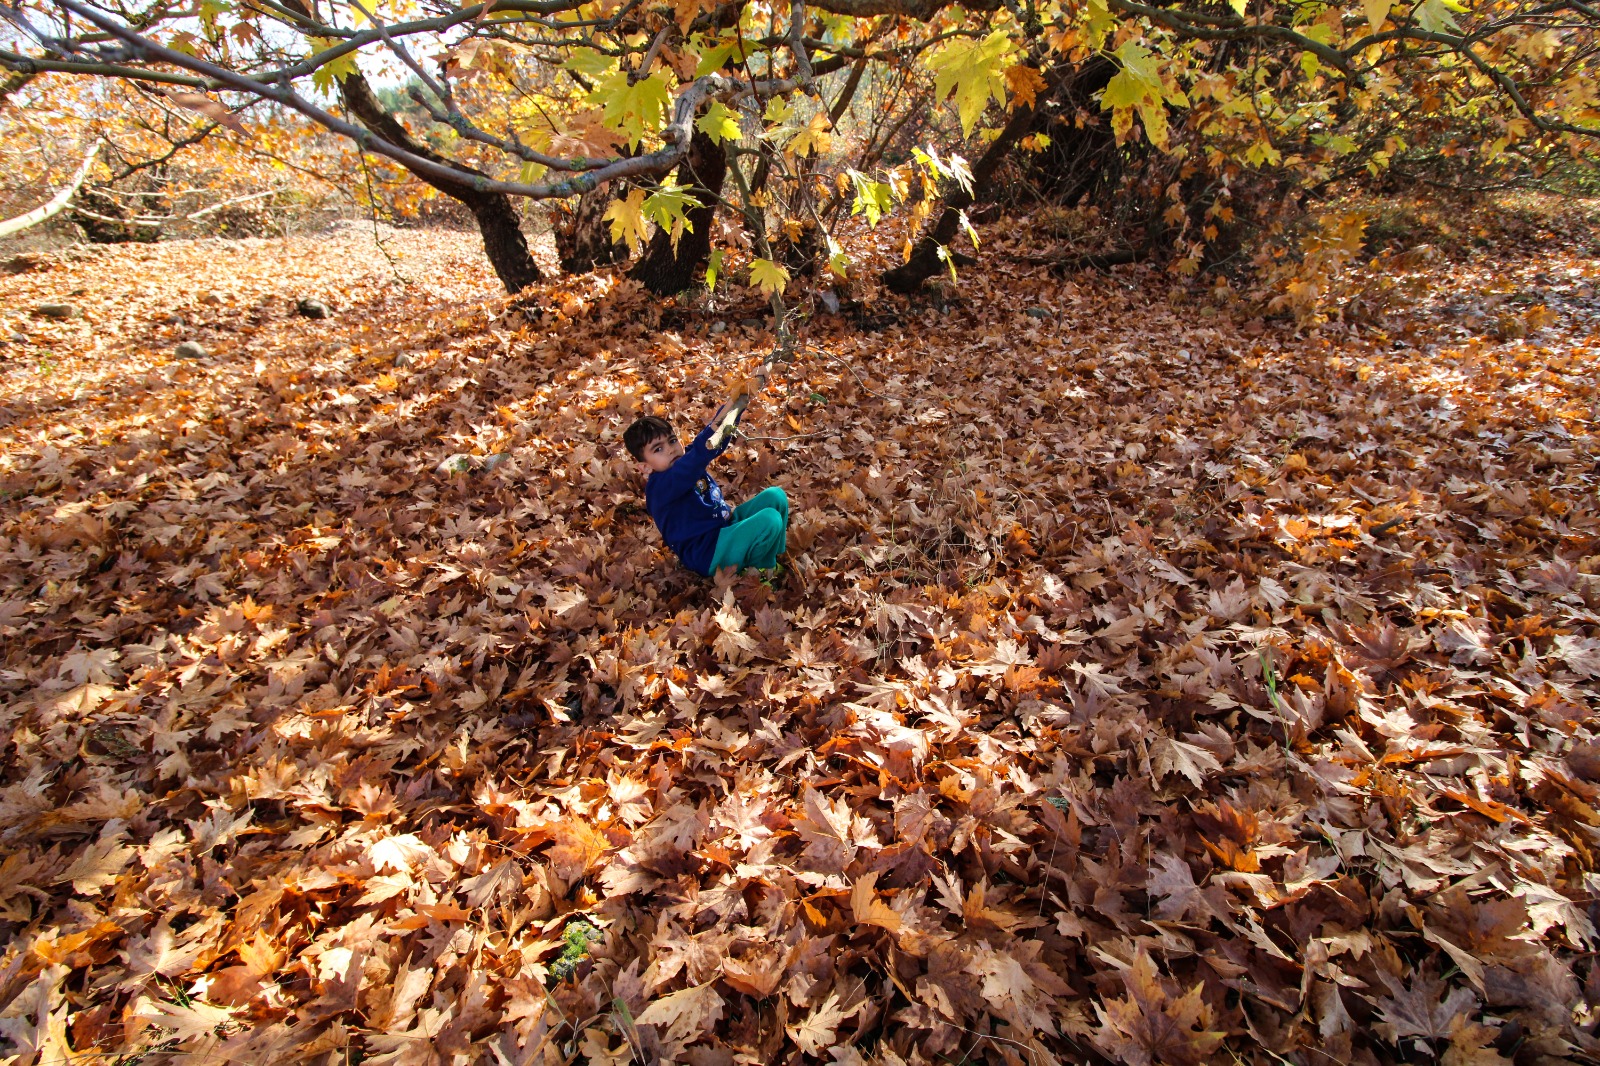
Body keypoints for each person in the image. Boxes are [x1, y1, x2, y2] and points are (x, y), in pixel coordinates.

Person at [623, 404, 789, 577]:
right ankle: (760, 572)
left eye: (672, 441)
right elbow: (702, 452)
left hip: (723, 528)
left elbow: (712, 442)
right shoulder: (660, 487)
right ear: (645, 467)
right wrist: (730, 410)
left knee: (775, 496)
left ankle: (772, 555)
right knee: (769, 519)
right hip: (707, 552)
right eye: (658, 449)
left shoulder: (685, 461)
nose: (670, 449)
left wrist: (735, 406)